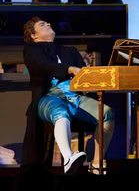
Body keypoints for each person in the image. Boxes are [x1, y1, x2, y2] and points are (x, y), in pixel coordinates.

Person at [21, 16, 115, 174]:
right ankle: (69, 158)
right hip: (48, 98)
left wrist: (86, 82)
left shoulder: (69, 51)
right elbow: (43, 65)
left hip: (75, 99)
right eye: (42, 24)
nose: (48, 24)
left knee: (107, 113)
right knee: (60, 112)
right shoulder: (32, 49)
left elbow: (83, 73)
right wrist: (69, 70)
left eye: (47, 22)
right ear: (34, 35)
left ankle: (97, 163)